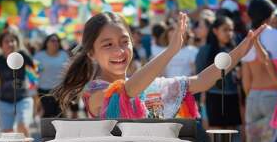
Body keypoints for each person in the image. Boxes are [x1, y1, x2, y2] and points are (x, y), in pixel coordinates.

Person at [52, 12, 265, 121]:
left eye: (124, 42)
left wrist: (239, 52)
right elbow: (126, 92)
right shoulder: (96, 92)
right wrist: (171, 51)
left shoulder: (147, 87)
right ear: (91, 53)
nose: (119, 51)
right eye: (108, 45)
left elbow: (200, 82)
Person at [242, 0, 277, 142]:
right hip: (272, 96)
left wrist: (249, 97)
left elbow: (246, 79)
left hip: (253, 96)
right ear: (270, 15)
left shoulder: (246, 39)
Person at [0, 30, 36, 142]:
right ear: (1, 45)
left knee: (23, 125)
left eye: (12, 41)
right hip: (4, 100)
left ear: (17, 42)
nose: (10, 43)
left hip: (23, 98)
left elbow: (35, 68)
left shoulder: (23, 56)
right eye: (6, 41)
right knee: (7, 132)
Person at [195, 16, 242, 129]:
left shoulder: (235, 51)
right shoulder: (205, 50)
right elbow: (199, 75)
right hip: (212, 96)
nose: (229, 33)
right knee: (214, 134)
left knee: (230, 134)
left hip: (232, 95)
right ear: (215, 31)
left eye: (231, 30)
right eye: (225, 30)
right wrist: (202, 97)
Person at [34, 34, 69, 118]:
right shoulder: (39, 56)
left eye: (57, 41)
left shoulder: (64, 55)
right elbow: (33, 74)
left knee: (60, 115)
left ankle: (61, 131)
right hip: (44, 90)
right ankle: (47, 131)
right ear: (46, 43)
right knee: (48, 114)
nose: (55, 43)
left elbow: (69, 72)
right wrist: (33, 91)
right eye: (53, 41)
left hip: (61, 90)